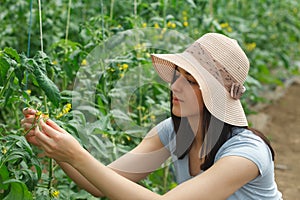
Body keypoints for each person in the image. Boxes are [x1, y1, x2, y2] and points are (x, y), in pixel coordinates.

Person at [21, 33, 282, 199]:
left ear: (217, 96)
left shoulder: (246, 154)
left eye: (190, 81)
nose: (175, 86)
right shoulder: (174, 132)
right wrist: (54, 146)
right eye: (177, 75)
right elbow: (102, 183)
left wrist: (76, 154)